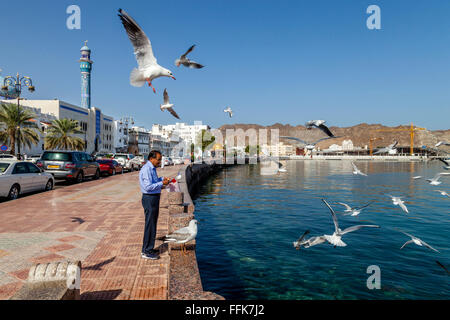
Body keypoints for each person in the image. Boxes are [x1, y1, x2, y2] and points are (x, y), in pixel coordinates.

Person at [139, 150, 170, 260]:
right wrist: (162, 183)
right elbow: (148, 187)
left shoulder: (152, 168)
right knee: (150, 225)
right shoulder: (147, 169)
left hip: (154, 198)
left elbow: (153, 182)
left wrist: (162, 180)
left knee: (153, 224)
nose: (159, 161)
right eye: (158, 159)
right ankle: (146, 251)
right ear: (151, 159)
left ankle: (149, 248)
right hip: (149, 198)